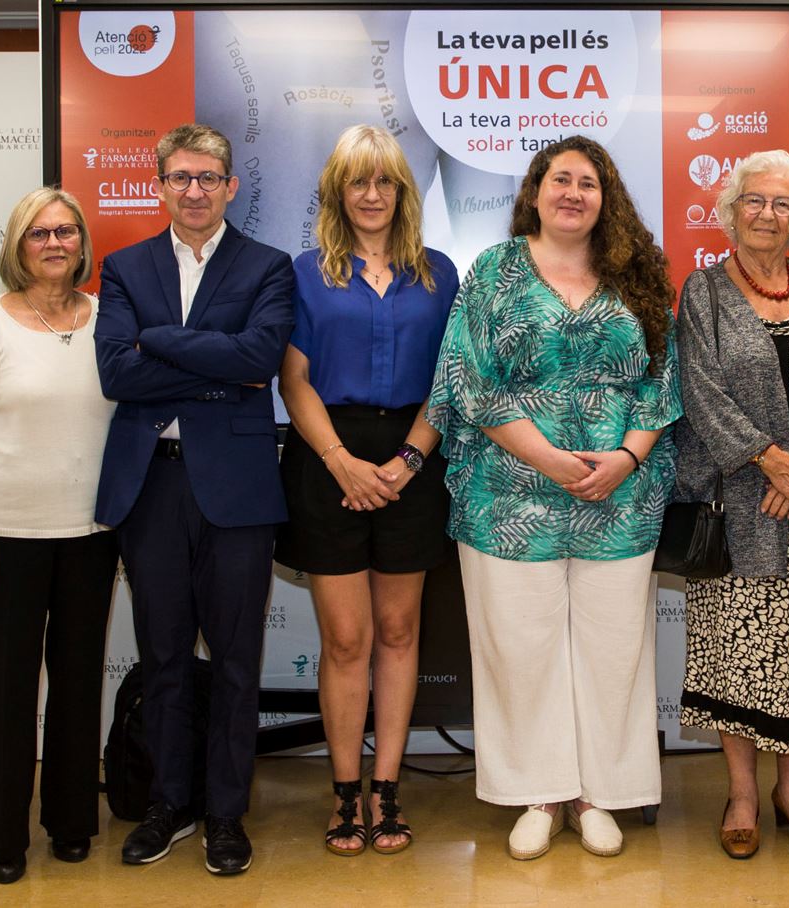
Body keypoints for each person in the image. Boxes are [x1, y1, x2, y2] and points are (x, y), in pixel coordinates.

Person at [427, 135, 680, 861]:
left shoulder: (638, 274)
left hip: (620, 499)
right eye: (560, 179)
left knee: (613, 649)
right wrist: (550, 461)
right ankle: (539, 793)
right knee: (521, 648)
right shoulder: (494, 272)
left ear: (606, 198)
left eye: (588, 182)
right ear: (535, 192)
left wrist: (626, 458)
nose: (573, 193)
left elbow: (662, 383)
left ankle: (598, 794)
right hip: (508, 500)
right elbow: (469, 380)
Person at [94, 123, 294, 876]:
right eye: (180, 177)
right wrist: (217, 371)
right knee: (165, 656)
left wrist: (159, 340)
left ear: (230, 186)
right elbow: (117, 374)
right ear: (160, 186)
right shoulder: (124, 266)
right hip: (152, 485)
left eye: (209, 177)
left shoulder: (268, 265)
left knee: (237, 661)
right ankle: (169, 803)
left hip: (237, 488)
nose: (195, 190)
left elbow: (260, 357)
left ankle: (225, 812)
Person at [275, 125, 459, 856]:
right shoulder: (305, 273)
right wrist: (342, 463)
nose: (372, 194)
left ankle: (388, 792)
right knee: (347, 639)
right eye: (358, 180)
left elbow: (448, 382)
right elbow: (294, 380)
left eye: (385, 181)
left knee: (399, 633)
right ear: (337, 192)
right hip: (329, 460)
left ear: (403, 192)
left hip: (414, 457)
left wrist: (408, 460)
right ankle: (345, 794)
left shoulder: (439, 274)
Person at [0, 188, 118, 884]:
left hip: (92, 533)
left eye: (66, 231)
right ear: (18, 244)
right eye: (39, 233)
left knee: (78, 683)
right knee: (9, 692)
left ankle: (71, 822)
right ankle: (5, 837)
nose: (54, 243)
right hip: (5, 536)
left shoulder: (108, 319)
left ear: (82, 244)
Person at [673, 149, 789, 861]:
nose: (768, 214)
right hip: (735, 500)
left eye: (782, 203)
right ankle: (743, 794)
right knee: (736, 652)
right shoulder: (704, 292)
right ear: (731, 210)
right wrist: (769, 460)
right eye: (755, 200)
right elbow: (698, 390)